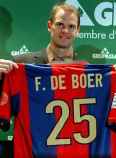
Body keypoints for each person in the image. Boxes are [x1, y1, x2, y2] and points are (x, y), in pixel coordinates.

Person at [0, 2, 80, 158]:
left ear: (78, 30)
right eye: (60, 24)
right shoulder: (20, 64)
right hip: (29, 152)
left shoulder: (87, 70)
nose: (65, 31)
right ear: (49, 25)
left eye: (71, 26)